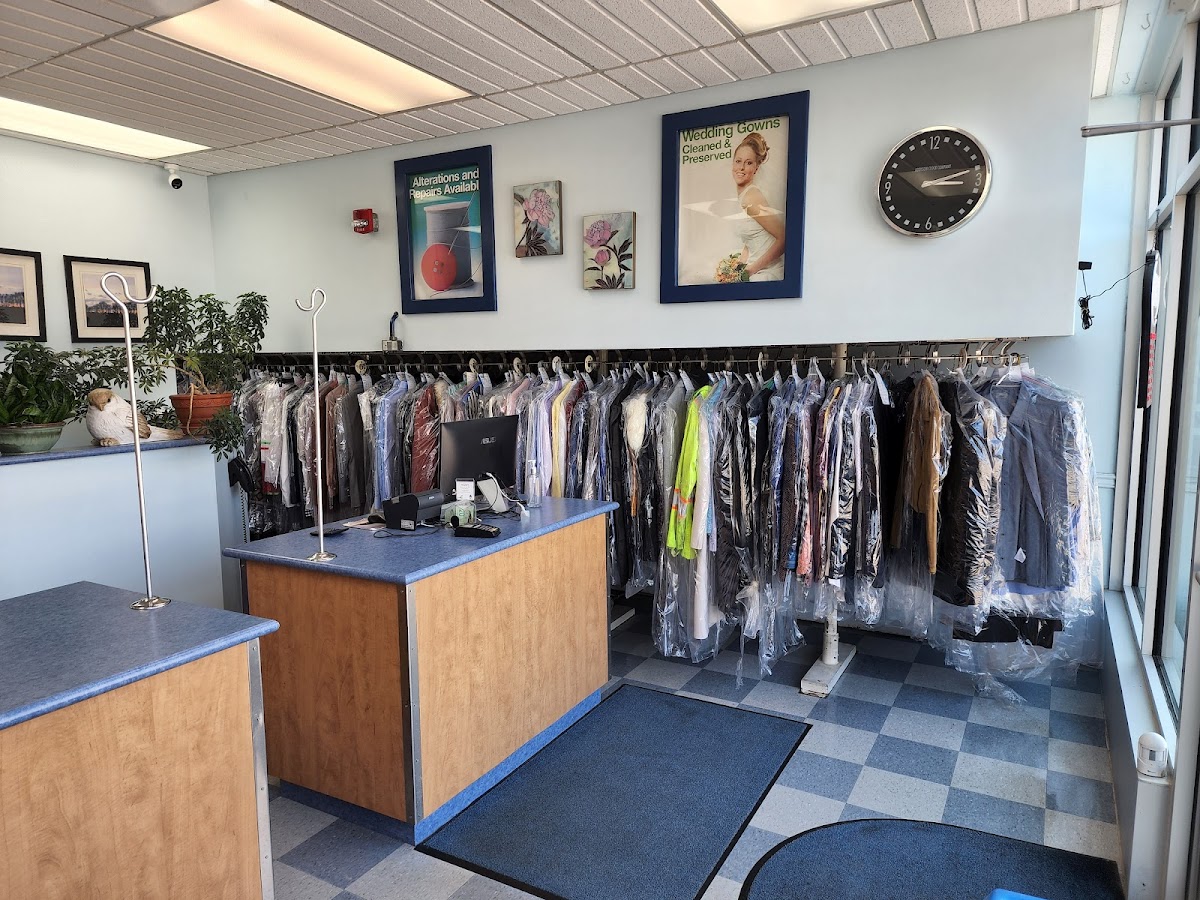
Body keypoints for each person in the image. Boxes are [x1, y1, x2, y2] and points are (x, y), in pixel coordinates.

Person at [731, 132, 785, 282]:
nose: (741, 167)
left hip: (766, 273)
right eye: (738, 161)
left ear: (756, 168)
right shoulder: (744, 196)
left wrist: (750, 270)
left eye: (748, 163)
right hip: (754, 268)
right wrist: (738, 269)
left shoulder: (752, 198)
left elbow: (784, 238)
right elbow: (751, 239)